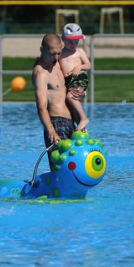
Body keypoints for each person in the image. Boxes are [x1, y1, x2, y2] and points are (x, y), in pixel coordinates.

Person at [32, 33, 85, 167]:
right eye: (52, 54)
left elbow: (67, 89)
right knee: (62, 167)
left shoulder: (56, 63)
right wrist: (51, 130)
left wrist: (80, 91)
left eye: (58, 53)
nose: (56, 58)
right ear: (42, 50)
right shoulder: (41, 73)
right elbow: (41, 107)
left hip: (70, 122)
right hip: (56, 124)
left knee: (77, 165)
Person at [59, 23, 91, 131]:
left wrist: (80, 67)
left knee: (70, 97)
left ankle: (84, 119)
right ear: (63, 39)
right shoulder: (60, 54)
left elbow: (88, 65)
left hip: (79, 77)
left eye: (76, 41)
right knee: (70, 103)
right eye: (70, 41)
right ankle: (82, 128)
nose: (73, 44)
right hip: (68, 81)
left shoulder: (80, 52)